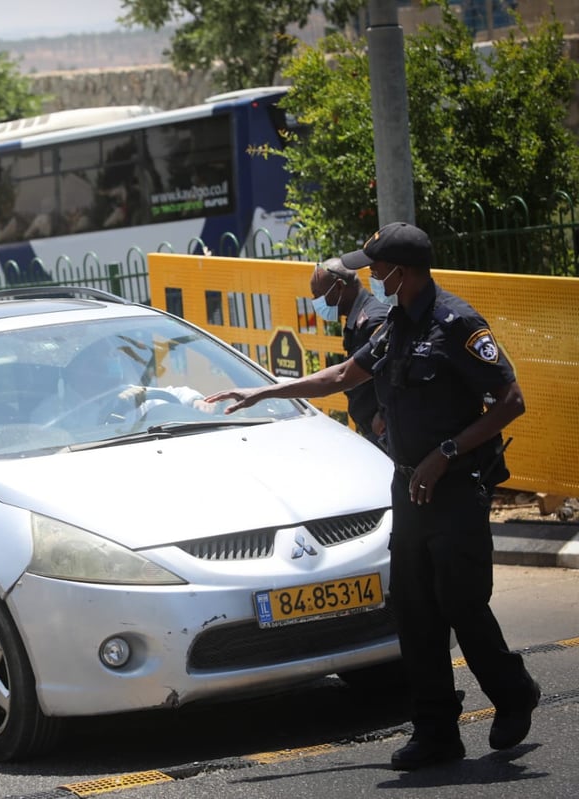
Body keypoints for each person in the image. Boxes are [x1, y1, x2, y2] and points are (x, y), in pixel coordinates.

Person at [206, 222, 539, 771]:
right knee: (413, 611)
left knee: (461, 604)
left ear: (400, 272)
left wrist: (446, 452)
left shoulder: (456, 323)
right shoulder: (395, 326)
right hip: (410, 487)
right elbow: (344, 373)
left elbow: (511, 400)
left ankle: (513, 693)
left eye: (377, 267)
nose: (371, 274)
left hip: (455, 488)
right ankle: (436, 732)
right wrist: (264, 389)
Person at [32, 337, 217, 429]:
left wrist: (196, 401)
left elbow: (175, 394)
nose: (106, 365)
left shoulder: (130, 393)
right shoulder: (53, 413)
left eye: (111, 356)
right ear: (74, 370)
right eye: (95, 360)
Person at [310, 257, 389, 447]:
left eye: (318, 295)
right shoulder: (357, 319)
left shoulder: (372, 320)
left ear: (338, 287)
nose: (315, 302)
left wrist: (385, 413)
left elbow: (394, 371)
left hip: (384, 431)